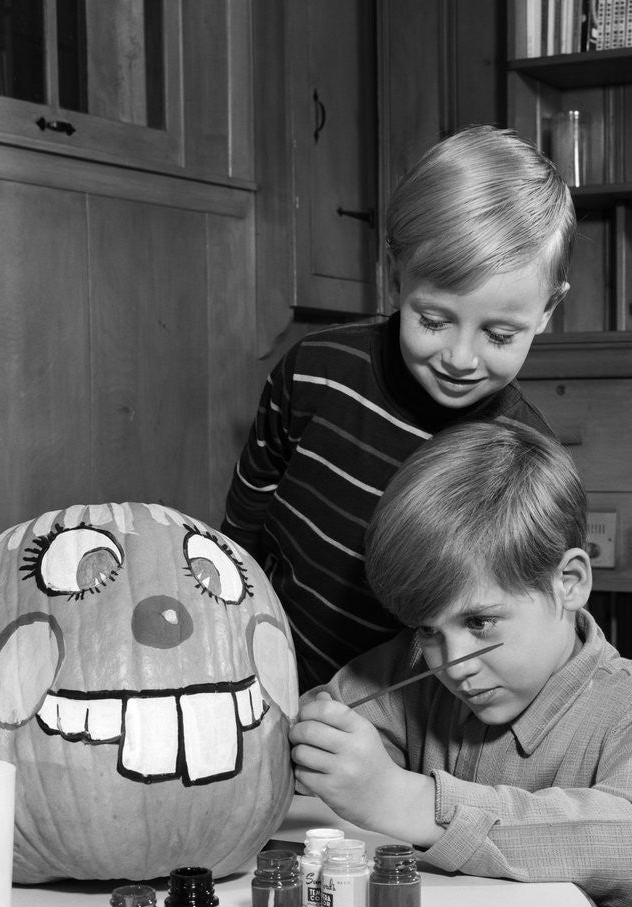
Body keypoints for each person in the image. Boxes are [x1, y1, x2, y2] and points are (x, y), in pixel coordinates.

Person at [290, 420, 632, 907]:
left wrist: (410, 802)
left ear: (569, 582)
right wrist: (312, 741)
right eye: (428, 630)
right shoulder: (414, 671)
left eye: (481, 623)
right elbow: (327, 717)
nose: (453, 664)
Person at [221, 125, 575, 691]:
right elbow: (248, 506)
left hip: (401, 715)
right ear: (393, 278)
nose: (461, 358)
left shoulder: (523, 457)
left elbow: (509, 627)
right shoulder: (314, 368)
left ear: (548, 311)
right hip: (265, 660)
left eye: (500, 335)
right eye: (433, 321)